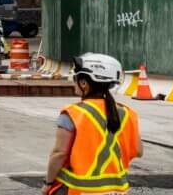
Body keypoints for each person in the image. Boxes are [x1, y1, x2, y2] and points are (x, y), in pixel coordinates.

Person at [42, 53, 141, 195]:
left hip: (78, 191)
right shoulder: (128, 113)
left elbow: (59, 154)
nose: (73, 81)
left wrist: (48, 183)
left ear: (84, 83)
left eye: (75, 77)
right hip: (118, 191)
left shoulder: (72, 113)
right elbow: (138, 151)